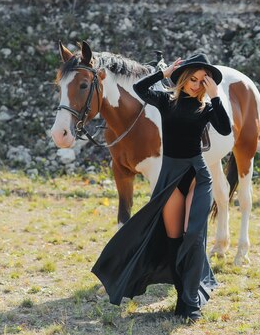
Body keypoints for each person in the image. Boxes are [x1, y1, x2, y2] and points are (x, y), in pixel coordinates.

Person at [91, 53, 232, 322]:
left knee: (193, 235)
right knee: (174, 238)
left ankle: (189, 301)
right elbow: (139, 89)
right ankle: (182, 292)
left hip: (197, 176)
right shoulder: (166, 101)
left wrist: (214, 95)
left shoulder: (207, 107)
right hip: (171, 176)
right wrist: (164, 74)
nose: (196, 84)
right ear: (183, 79)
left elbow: (225, 130)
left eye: (202, 80)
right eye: (193, 78)